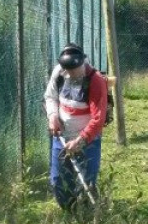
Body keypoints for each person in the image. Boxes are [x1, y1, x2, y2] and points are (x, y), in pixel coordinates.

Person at [44, 43, 108, 212]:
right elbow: (50, 97)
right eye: (67, 69)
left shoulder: (96, 81)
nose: (70, 73)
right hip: (62, 137)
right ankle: (68, 214)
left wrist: (80, 141)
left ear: (83, 62)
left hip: (87, 140)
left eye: (74, 69)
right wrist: (53, 117)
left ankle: (87, 217)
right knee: (58, 181)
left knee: (86, 182)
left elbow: (98, 119)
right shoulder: (59, 72)